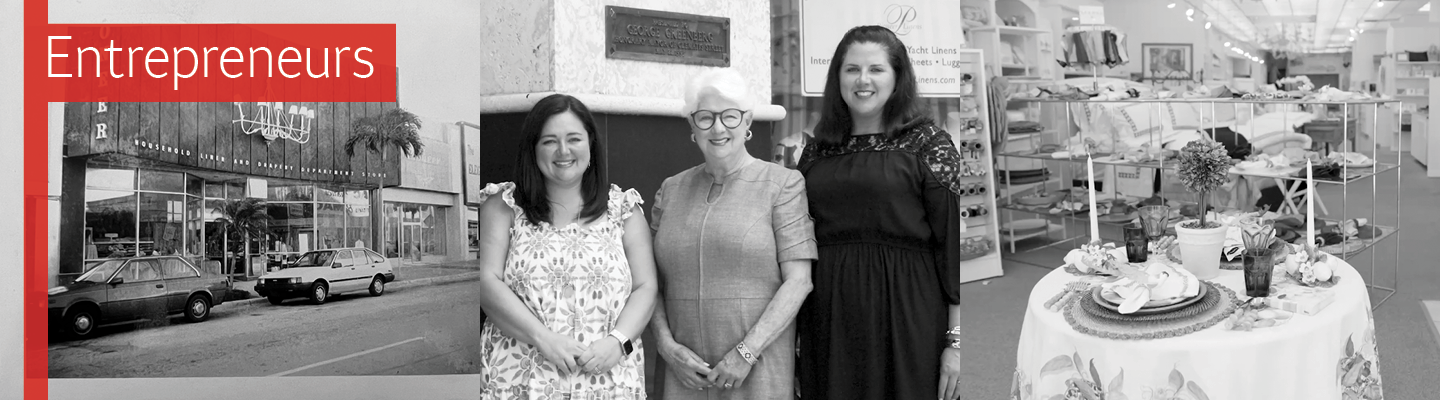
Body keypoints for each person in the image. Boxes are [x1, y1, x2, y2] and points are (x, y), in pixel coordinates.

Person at [795, 25, 962, 400]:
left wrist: (953, 342)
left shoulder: (928, 144)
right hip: (829, 312)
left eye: (876, 69)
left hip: (908, 309)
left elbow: (947, 246)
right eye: (851, 69)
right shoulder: (816, 151)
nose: (862, 80)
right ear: (837, 76)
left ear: (897, 77)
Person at [475, 94, 658, 399]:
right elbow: (485, 281)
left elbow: (646, 286)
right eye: (549, 141)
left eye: (574, 139)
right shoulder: (504, 206)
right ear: (533, 149)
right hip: (521, 378)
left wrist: (618, 342)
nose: (563, 151)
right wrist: (543, 338)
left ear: (590, 145)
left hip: (607, 379)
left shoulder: (624, 210)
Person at [649, 69, 817, 398]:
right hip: (684, 373)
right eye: (705, 117)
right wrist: (667, 347)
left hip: (755, 369)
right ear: (692, 127)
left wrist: (746, 353)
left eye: (730, 116)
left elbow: (799, 281)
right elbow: (649, 281)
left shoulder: (783, 184)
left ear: (747, 123)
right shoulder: (670, 190)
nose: (718, 127)